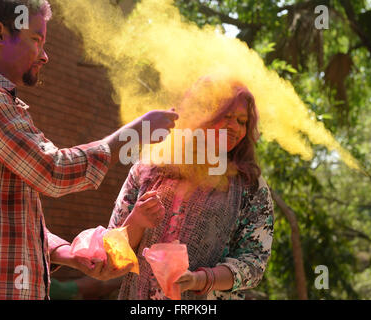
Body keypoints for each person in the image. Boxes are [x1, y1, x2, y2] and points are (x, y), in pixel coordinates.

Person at [0, 0, 178, 300]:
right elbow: (52, 171)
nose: (44, 55)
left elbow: (8, 216)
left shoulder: (2, 105)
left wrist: (67, 253)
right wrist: (136, 132)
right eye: (36, 39)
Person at [108, 76, 274, 300]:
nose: (234, 127)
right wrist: (137, 220)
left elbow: (254, 262)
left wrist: (201, 280)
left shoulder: (250, 186)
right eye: (226, 116)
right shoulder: (149, 167)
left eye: (242, 121)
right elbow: (112, 254)